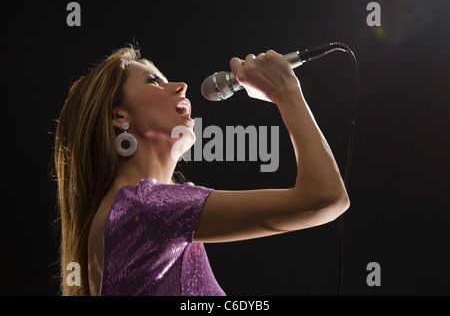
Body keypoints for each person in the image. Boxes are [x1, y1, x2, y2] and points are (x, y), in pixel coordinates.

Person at [54, 46, 350, 296]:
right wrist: (286, 92)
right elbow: (325, 197)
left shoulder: (127, 213)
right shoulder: (146, 208)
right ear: (118, 116)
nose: (180, 86)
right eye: (154, 81)